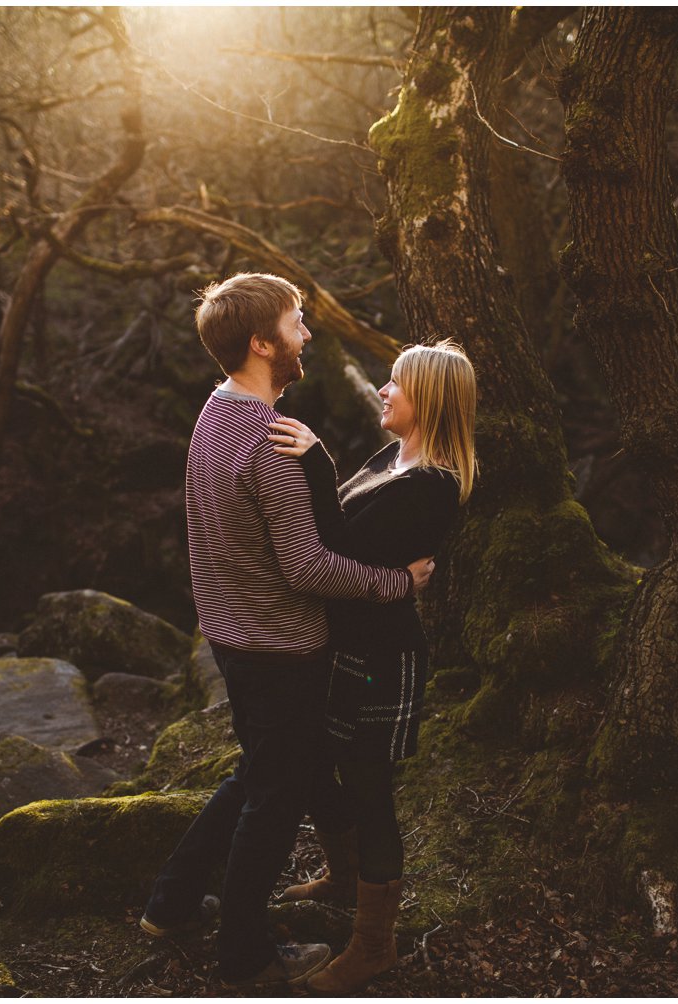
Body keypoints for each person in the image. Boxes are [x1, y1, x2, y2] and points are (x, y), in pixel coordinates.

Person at [138, 273, 436, 990]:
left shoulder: (215, 414)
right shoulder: (269, 443)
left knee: (257, 777)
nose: (308, 334)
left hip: (232, 637)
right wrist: (397, 583)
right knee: (274, 797)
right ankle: (246, 956)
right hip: (280, 648)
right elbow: (306, 568)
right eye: (297, 322)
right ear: (263, 342)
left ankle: (171, 903)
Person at [266, 338, 477, 994]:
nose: (383, 391)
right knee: (313, 767)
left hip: (381, 659)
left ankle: (373, 944)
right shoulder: (394, 456)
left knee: (369, 792)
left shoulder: (435, 485)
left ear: (430, 401)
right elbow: (344, 551)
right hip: (341, 644)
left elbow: (338, 547)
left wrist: (318, 464)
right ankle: (340, 873)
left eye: (396, 384)